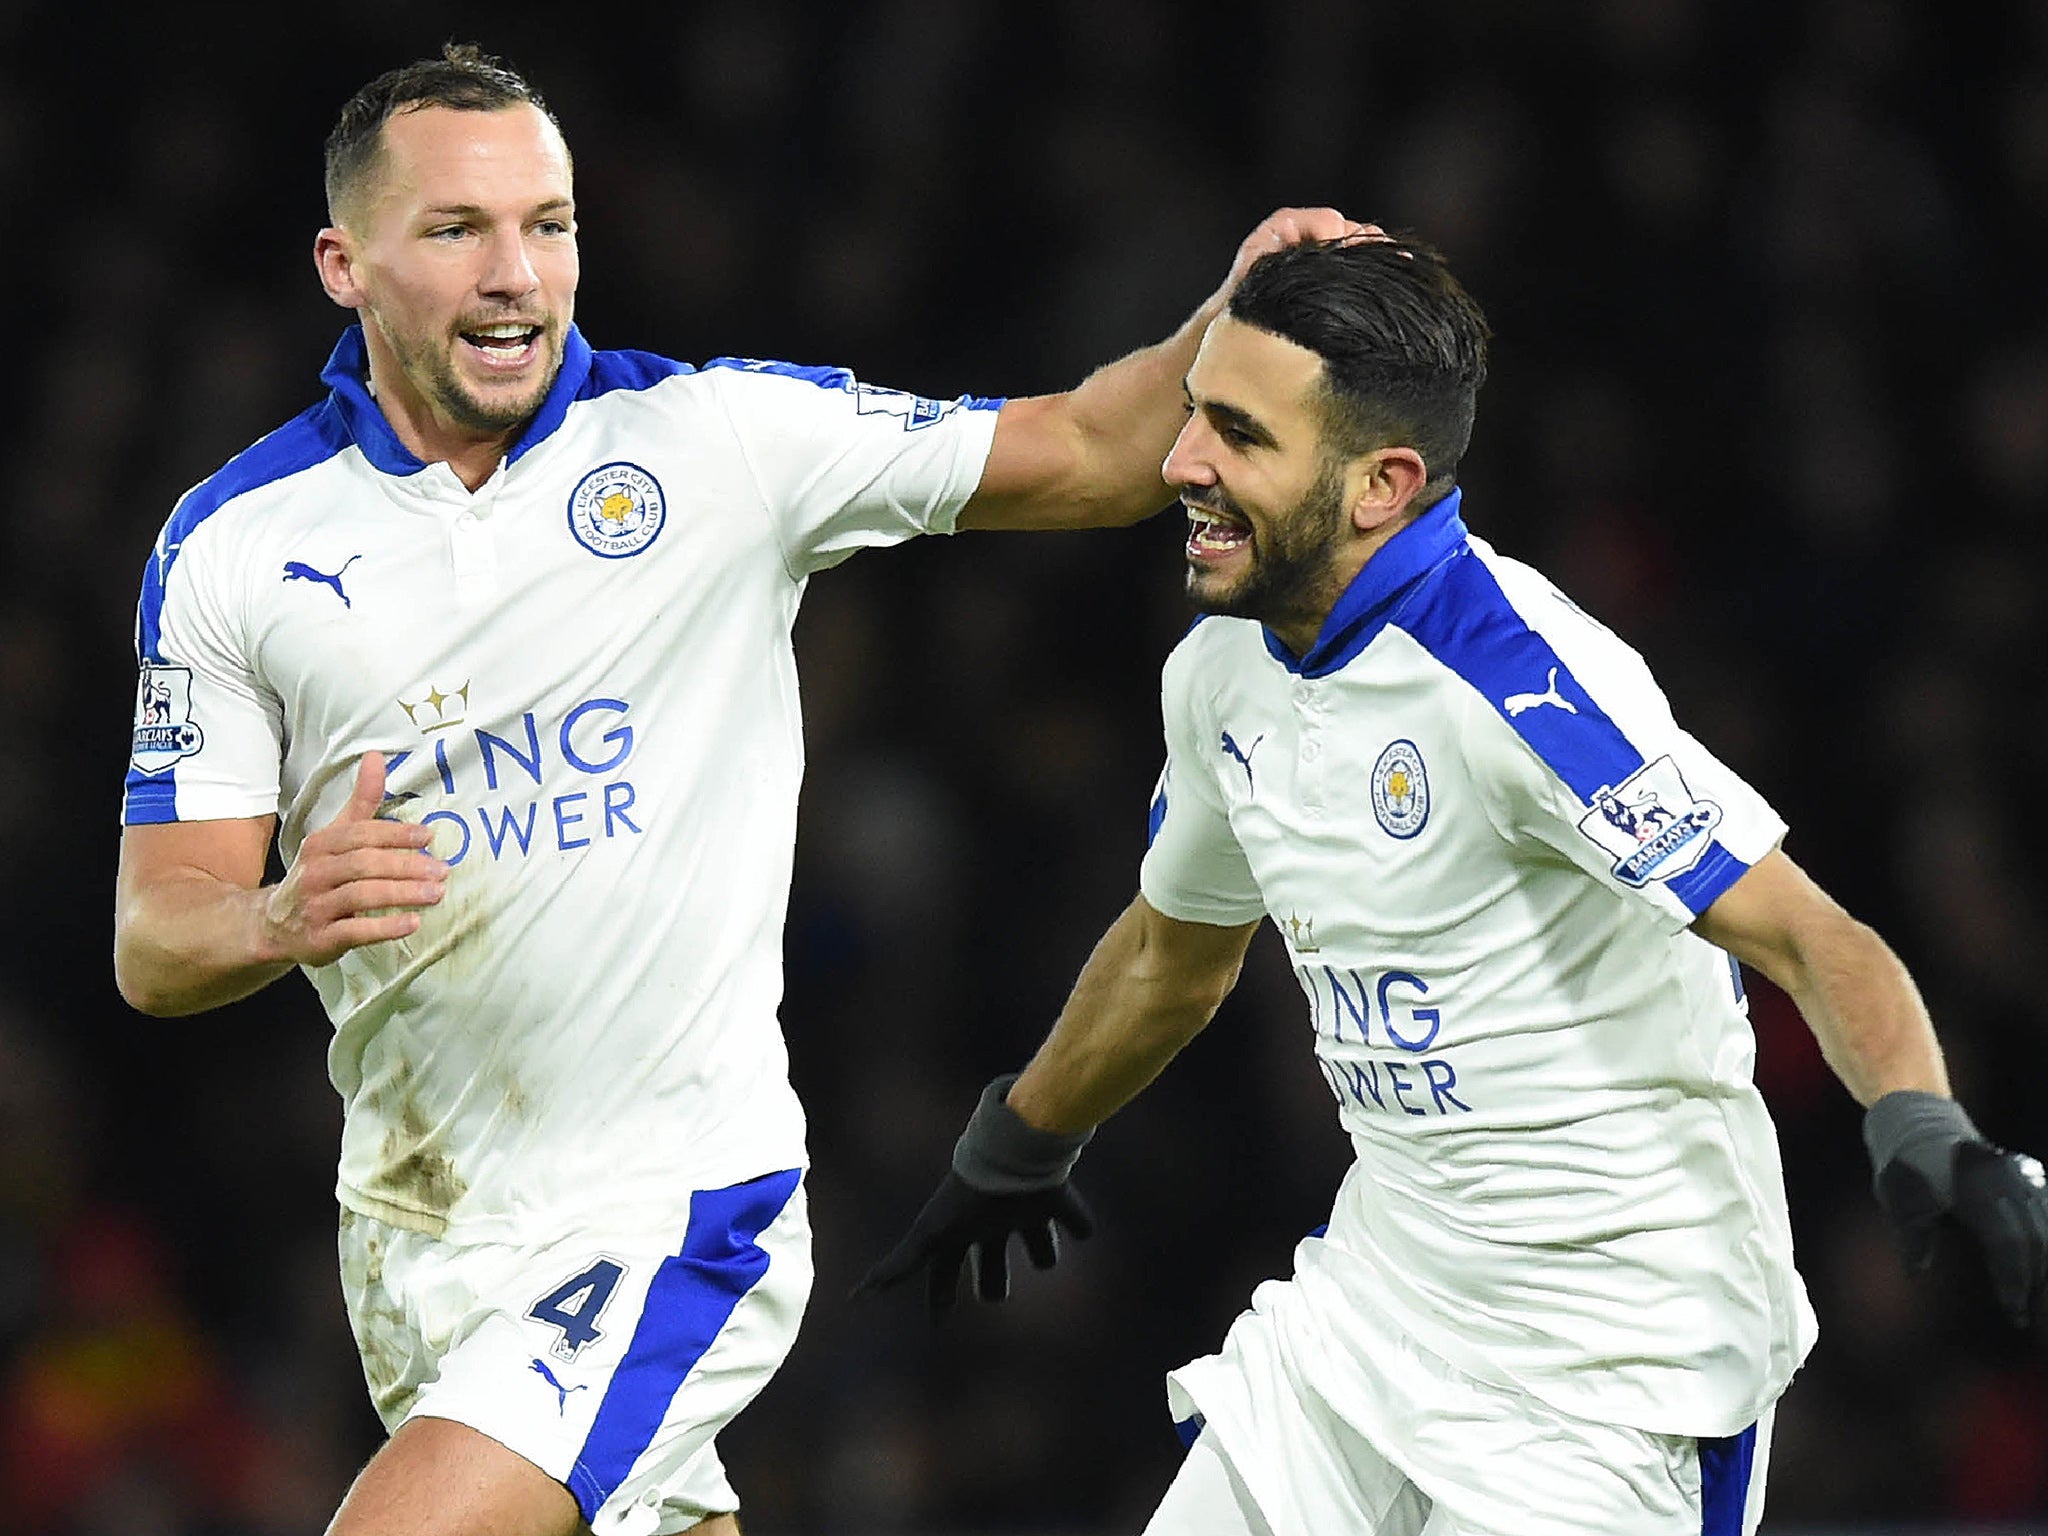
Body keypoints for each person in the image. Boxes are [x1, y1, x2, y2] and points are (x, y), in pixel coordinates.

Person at [109, 41, 1363, 1536]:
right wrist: (270, 917)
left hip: (673, 1210)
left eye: (548, 225)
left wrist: (1228, 326)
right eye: (457, 231)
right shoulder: (237, 545)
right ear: (346, 263)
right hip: (418, 1232)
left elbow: (1092, 449)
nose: (517, 272)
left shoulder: (718, 445)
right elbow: (153, 935)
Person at [859, 235, 2048, 1535]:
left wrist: (1925, 1120)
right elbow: (1169, 956)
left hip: (1613, 1378)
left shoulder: (1523, 683)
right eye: (1195, 411)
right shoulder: (1219, 676)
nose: (1180, 463)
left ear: (1384, 485)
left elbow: (1810, 933)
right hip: (1378, 1312)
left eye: (1239, 436)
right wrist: (1021, 1137)